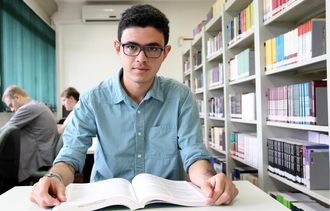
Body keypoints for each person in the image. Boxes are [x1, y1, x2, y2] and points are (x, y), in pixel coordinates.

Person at [29, 4, 238, 208]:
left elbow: (194, 155)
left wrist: (210, 180)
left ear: (165, 53)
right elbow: (71, 154)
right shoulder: (93, 99)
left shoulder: (180, 96)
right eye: (131, 47)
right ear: (118, 49)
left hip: (165, 203)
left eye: (153, 48)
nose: (141, 58)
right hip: (107, 203)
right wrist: (54, 177)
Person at [0, 85, 59, 182]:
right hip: (46, 155)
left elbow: (5, 130)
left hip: (39, 160)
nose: (12, 109)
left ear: (17, 97)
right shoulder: (38, 105)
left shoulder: (29, 108)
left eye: (11, 105)